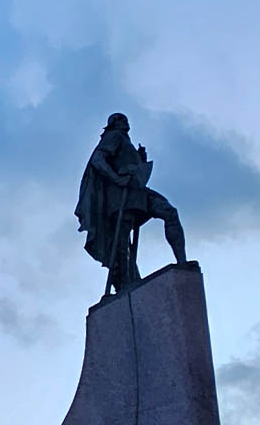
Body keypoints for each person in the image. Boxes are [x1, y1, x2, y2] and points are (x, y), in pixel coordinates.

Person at [76, 112, 188, 293]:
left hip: (137, 191)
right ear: (113, 124)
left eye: (125, 118)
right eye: (119, 119)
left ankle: (182, 262)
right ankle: (125, 284)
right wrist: (116, 179)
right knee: (121, 244)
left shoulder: (125, 141)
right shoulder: (114, 136)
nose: (124, 120)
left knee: (170, 213)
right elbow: (98, 159)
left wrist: (139, 159)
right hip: (122, 194)